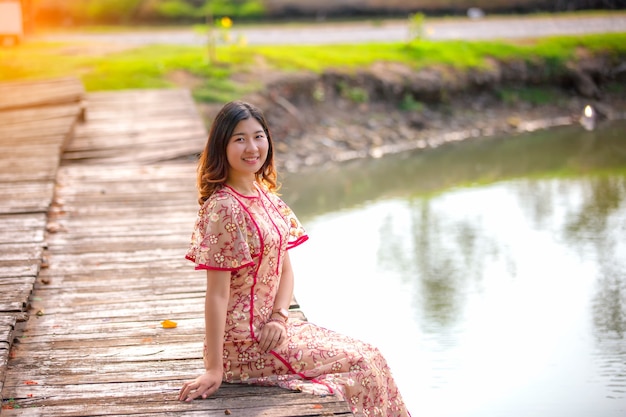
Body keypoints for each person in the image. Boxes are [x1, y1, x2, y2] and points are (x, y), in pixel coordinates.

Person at [178, 100, 410, 416]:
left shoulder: (265, 197)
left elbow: (285, 270)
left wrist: (279, 316)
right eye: (239, 138)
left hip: (274, 327)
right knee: (362, 365)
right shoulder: (223, 208)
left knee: (372, 356)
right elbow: (217, 294)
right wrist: (214, 368)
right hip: (244, 344)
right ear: (222, 145)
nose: (252, 147)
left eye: (258, 136)